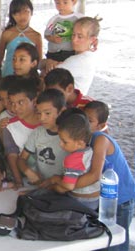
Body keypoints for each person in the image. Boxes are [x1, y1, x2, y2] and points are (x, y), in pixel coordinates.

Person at [86, 101, 135, 251]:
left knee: (117, 242)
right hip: (105, 198)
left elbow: (94, 174)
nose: (85, 123)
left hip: (120, 199)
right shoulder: (84, 138)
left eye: (90, 121)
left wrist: (62, 183)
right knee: (102, 240)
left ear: (100, 126)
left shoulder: (100, 139)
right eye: (83, 118)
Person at [47, 111, 99, 210]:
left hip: (80, 200)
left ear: (79, 143)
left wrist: (56, 179)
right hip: (94, 199)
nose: (60, 144)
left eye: (64, 142)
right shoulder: (89, 150)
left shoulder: (72, 160)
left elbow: (68, 186)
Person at [17, 89, 68, 185]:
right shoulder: (38, 132)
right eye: (39, 113)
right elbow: (21, 159)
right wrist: (28, 172)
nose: (41, 118)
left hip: (61, 186)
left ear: (61, 111)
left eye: (47, 113)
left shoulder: (70, 137)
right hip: (40, 184)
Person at [45, 17, 101, 94]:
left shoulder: (79, 60)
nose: (74, 40)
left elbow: (48, 77)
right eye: (73, 35)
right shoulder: (90, 56)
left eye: (80, 37)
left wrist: (47, 62)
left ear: (92, 39)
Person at [2, 76, 41, 187]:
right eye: (12, 103)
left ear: (34, 101)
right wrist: (18, 181)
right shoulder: (9, 126)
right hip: (25, 178)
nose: (15, 108)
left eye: (20, 102)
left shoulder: (47, 122)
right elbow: (12, 154)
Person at [0, 0, 42, 77]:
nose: (22, 16)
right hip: (8, 75)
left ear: (31, 13)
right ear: (12, 15)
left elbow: (39, 62)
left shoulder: (36, 36)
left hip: (28, 78)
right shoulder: (7, 34)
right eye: (17, 13)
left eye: (26, 11)